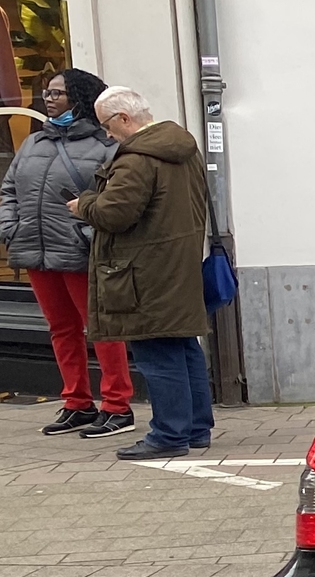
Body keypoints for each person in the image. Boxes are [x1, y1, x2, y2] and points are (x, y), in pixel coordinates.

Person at [66, 87, 213, 459]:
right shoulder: (182, 147)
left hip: (143, 271)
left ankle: (168, 435)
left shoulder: (137, 159)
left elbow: (115, 214)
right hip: (178, 263)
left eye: (107, 127)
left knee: (157, 351)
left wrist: (84, 204)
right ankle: (196, 429)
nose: (107, 135)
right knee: (182, 346)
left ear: (123, 119)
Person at [0, 68, 135, 438]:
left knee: (102, 330)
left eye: (57, 92)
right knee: (61, 329)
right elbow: (9, 189)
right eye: (47, 92)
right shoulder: (34, 142)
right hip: (35, 251)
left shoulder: (107, 146)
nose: (49, 97)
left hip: (80, 252)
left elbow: (116, 198)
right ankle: (77, 402)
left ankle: (117, 406)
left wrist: (88, 233)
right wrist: (10, 228)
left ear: (79, 98)